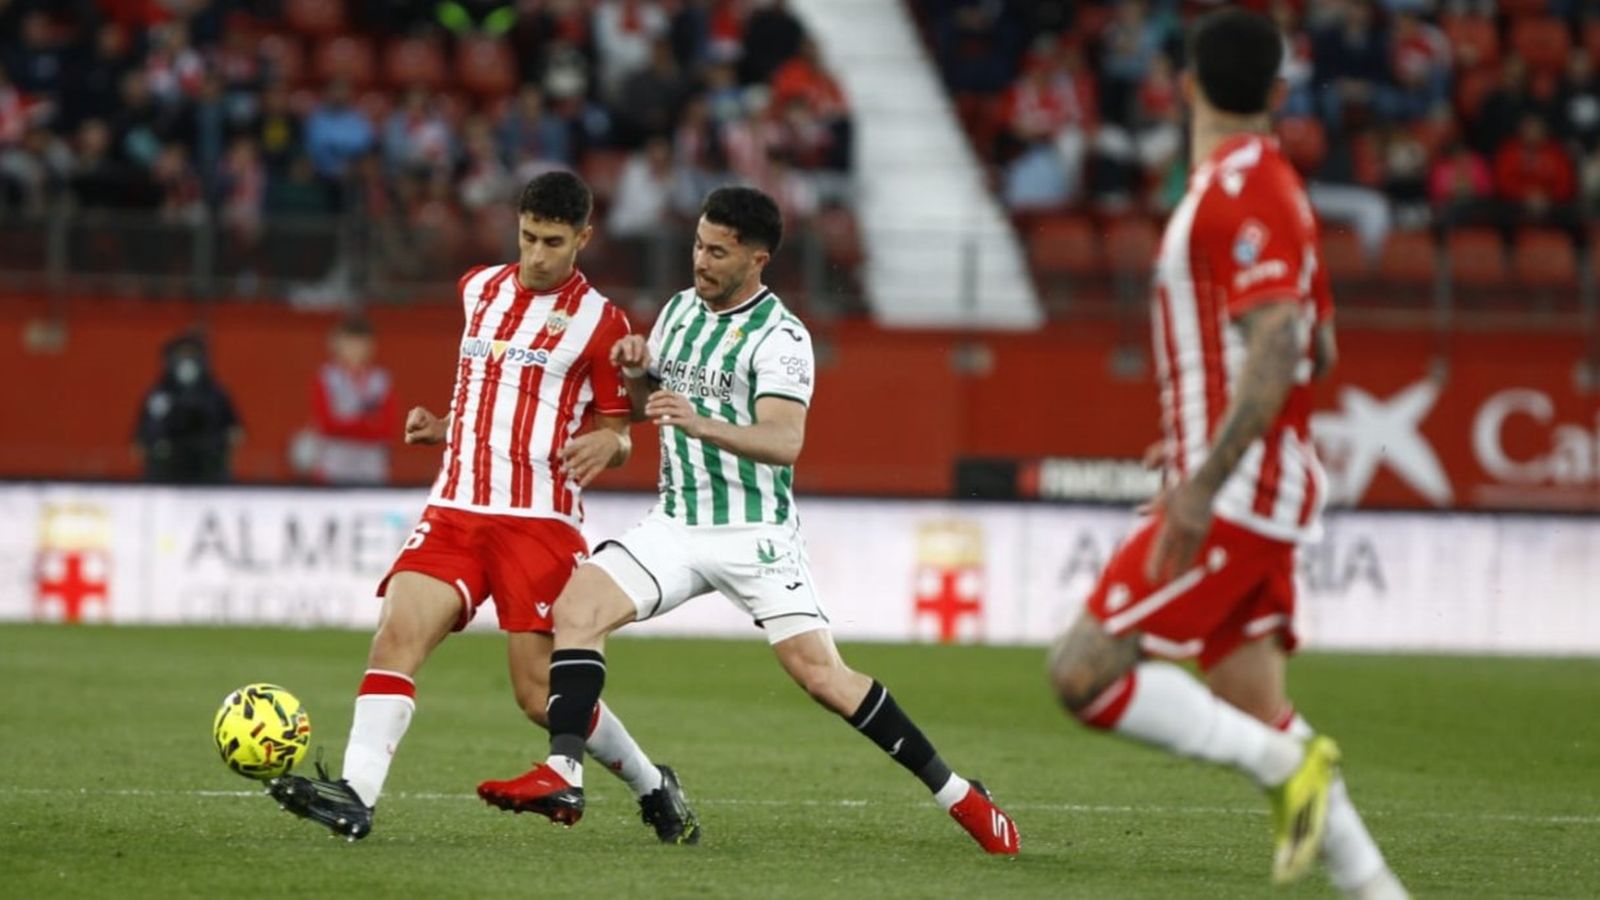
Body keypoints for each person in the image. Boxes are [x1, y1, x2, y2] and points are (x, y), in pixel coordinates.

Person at [473, 186, 1020, 855]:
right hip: (676, 524)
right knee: (576, 610)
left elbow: (784, 439)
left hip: (754, 535)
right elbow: (651, 409)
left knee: (822, 677)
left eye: (717, 252)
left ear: (756, 259)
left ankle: (960, 795)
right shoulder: (678, 311)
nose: (700, 261)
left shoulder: (783, 338)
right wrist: (640, 373)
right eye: (699, 245)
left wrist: (698, 419)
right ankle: (564, 771)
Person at [1045, 10, 1408, 899]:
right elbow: (1317, 346)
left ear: (1186, 87)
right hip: (1251, 477)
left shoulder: (1240, 189)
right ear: (1279, 95)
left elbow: (1284, 344)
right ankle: (1376, 886)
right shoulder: (1272, 184)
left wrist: (1201, 480)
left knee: (1085, 672)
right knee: (1258, 705)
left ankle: (1290, 768)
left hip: (1239, 489)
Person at [267, 173, 700, 845]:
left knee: (538, 695)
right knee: (396, 635)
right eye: (527, 237)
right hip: (455, 508)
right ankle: (356, 794)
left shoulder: (602, 322)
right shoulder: (478, 289)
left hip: (539, 521)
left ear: (583, 238)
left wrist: (606, 446)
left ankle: (651, 783)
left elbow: (619, 429)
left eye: (554, 242)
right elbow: (489, 386)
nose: (537, 255)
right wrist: (446, 424)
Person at [133, 331, 242, 484]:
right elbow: (141, 440)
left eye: (191, 354)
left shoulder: (215, 394)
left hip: (209, 473)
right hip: (166, 473)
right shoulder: (158, 395)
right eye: (181, 354)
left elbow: (235, 434)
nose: (186, 361)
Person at [305, 315, 396, 486]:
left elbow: (387, 428)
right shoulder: (326, 378)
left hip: (372, 469)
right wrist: (366, 425)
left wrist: (346, 424)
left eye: (360, 344)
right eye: (349, 344)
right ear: (336, 345)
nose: (355, 350)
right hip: (334, 468)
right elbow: (326, 424)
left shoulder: (381, 381)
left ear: (371, 346)